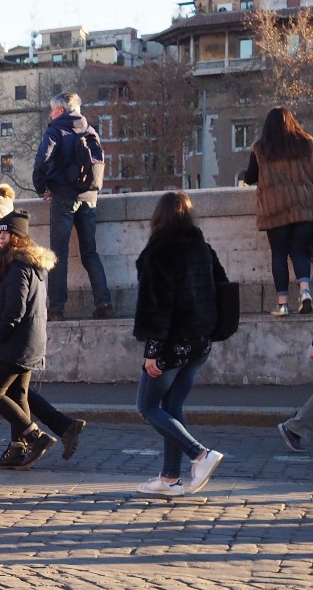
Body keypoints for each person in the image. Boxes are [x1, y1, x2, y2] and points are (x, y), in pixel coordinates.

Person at [0, 186, 86, 463]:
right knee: (12, 391)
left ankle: (23, 439)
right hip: (5, 332)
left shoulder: (13, 259)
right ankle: (35, 438)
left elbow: (6, 301)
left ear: (9, 228)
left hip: (3, 333)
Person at [132, 192, 227, 497]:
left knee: (146, 406)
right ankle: (170, 478)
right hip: (200, 342)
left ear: (159, 217)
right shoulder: (202, 248)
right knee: (172, 406)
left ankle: (200, 454)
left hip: (172, 344)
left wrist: (152, 352)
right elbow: (222, 288)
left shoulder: (158, 252)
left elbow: (155, 306)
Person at [0, 211, 58, 469]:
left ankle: (36, 437)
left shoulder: (17, 266)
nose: (1, 239)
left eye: (6, 234)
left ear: (19, 238)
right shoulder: (26, 263)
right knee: (18, 395)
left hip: (16, 343)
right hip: (29, 341)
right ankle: (17, 449)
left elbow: (14, 310)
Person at [33, 92, 112, 320]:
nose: (50, 114)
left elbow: (42, 160)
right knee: (90, 252)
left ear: (60, 110)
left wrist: (42, 188)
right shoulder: (90, 129)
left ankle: (56, 308)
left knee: (58, 253)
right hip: (89, 197)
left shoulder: (55, 130)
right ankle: (103, 302)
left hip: (64, 197)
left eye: (52, 110)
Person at [240, 106, 313, 316]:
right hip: (303, 207)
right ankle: (305, 292)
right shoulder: (307, 143)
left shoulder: (260, 148)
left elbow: (251, 177)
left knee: (279, 254)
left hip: (275, 208)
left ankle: (282, 304)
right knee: (300, 251)